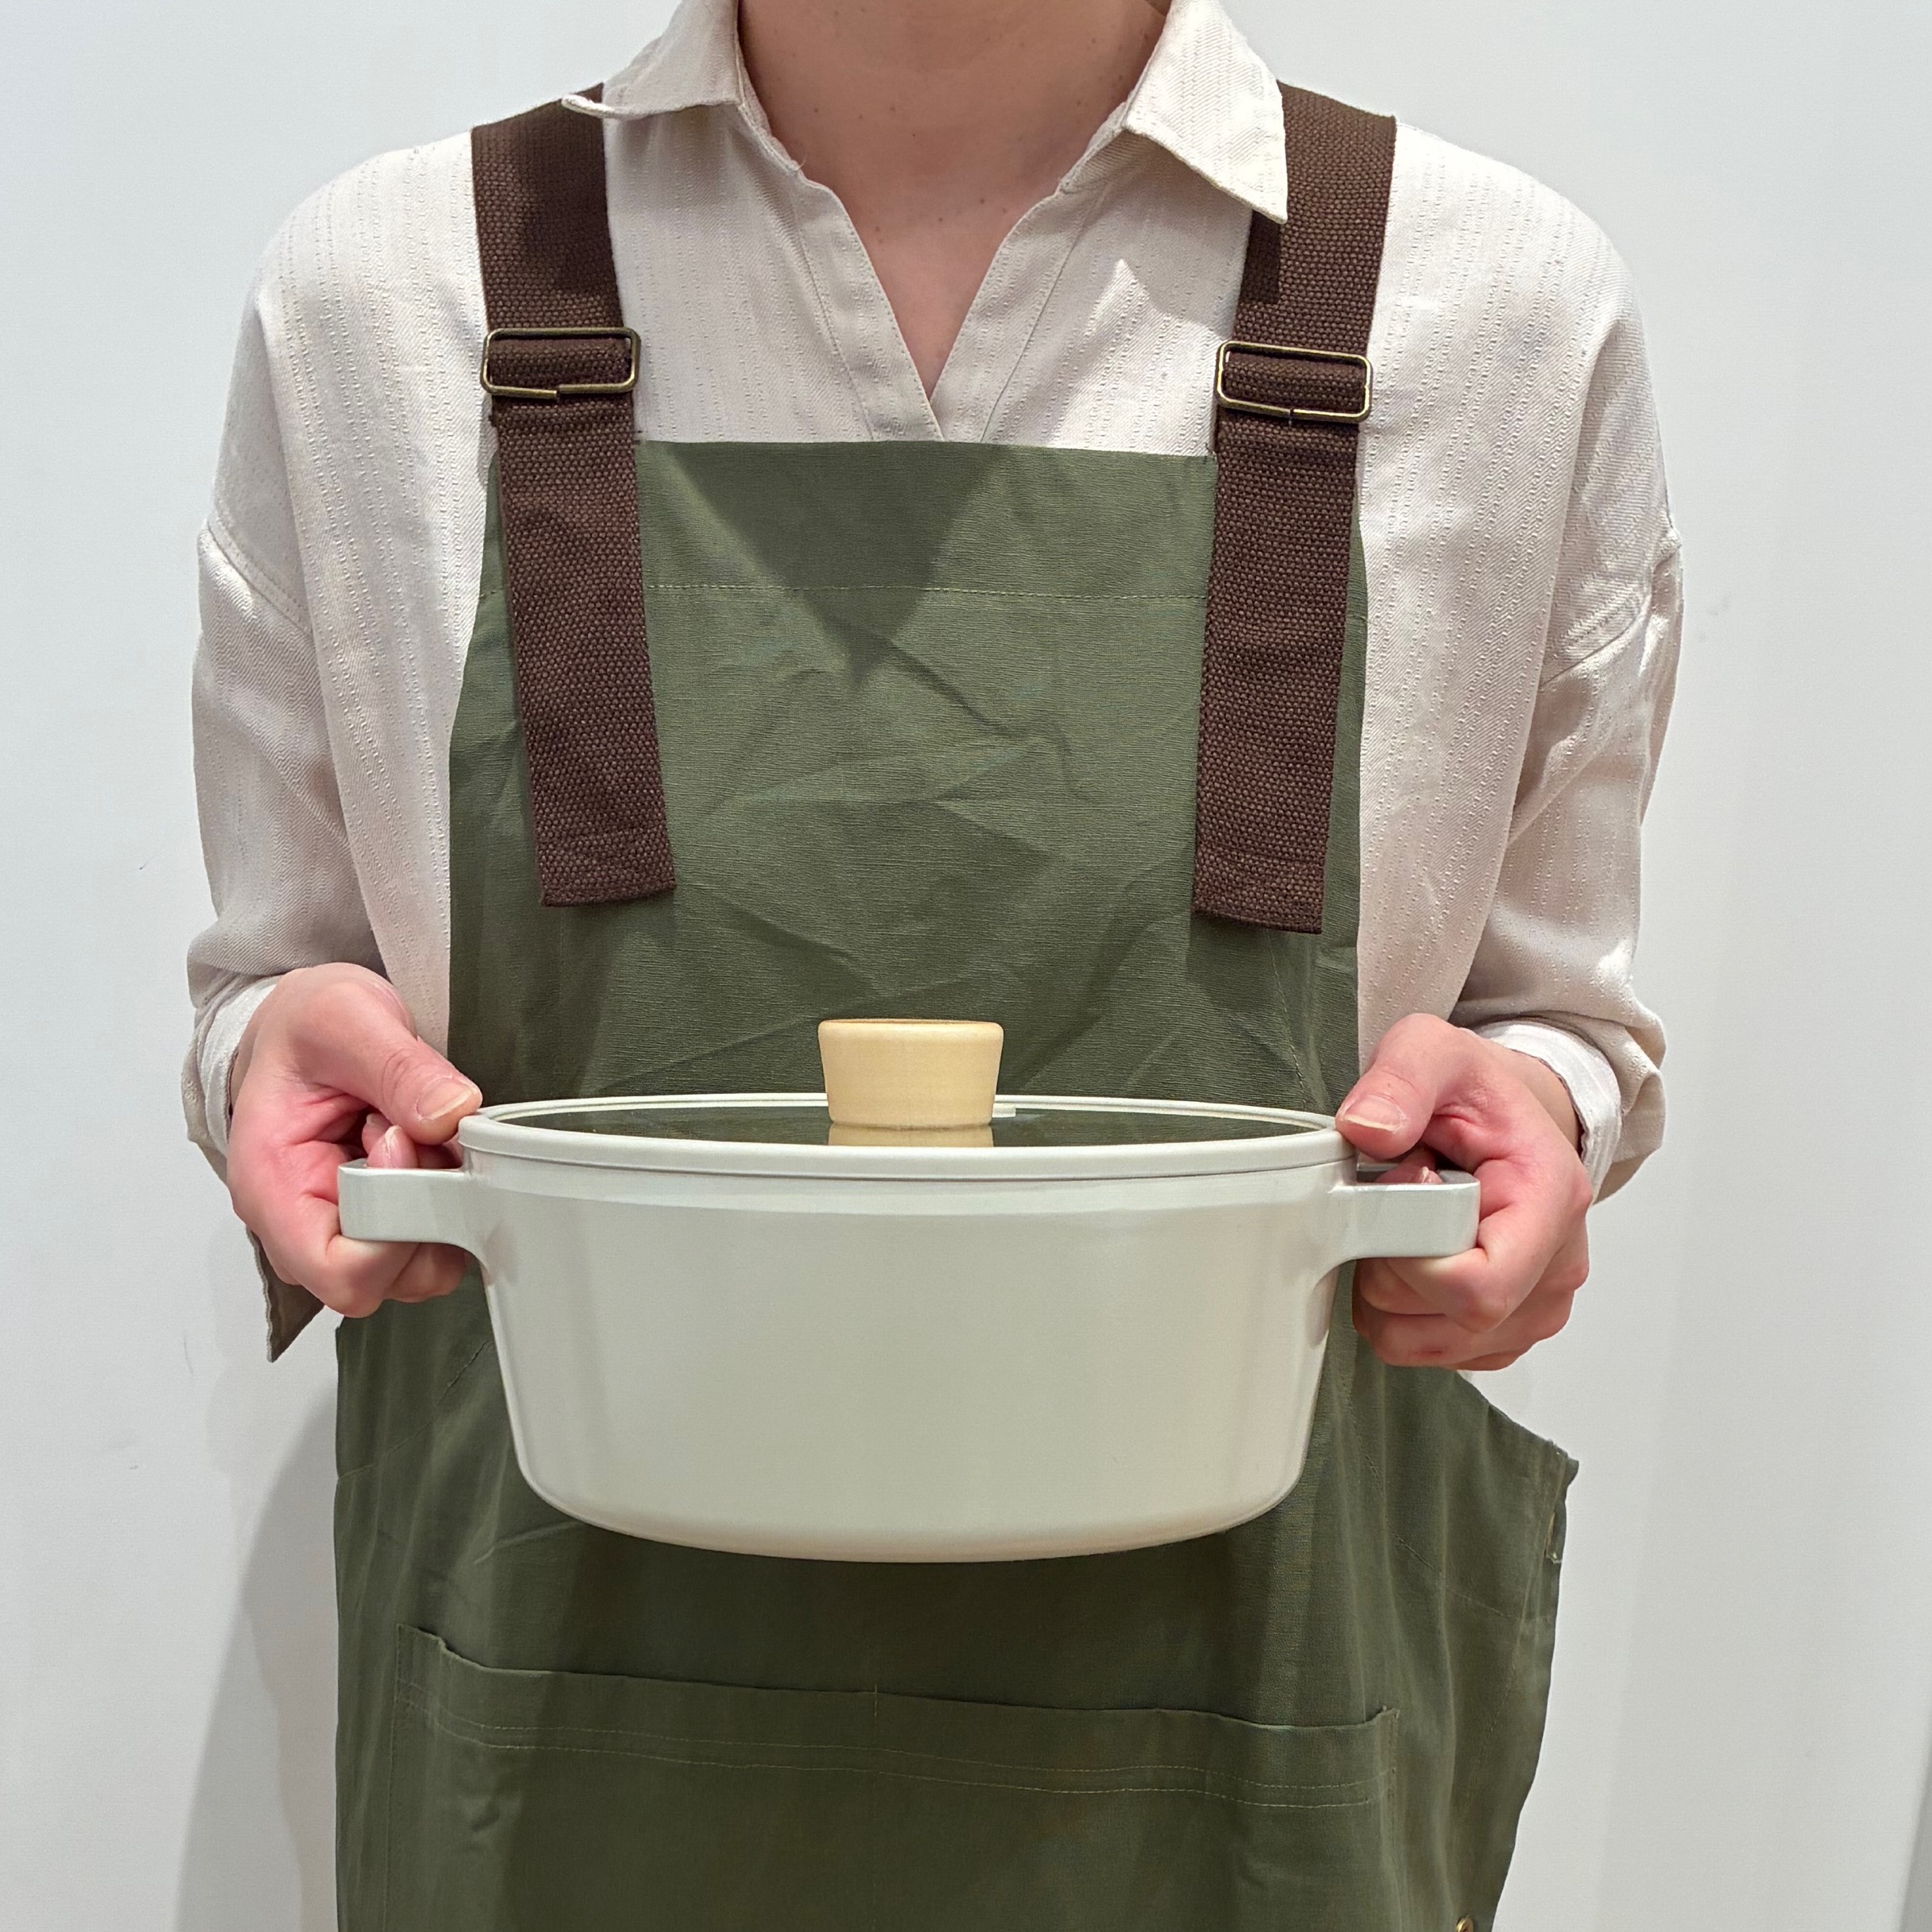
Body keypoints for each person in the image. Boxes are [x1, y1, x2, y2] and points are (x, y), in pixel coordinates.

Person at [185, 0, 1677, 1923]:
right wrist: (264, 1057)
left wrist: (1542, 1108)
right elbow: (278, 980)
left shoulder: (1498, 311)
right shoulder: (379, 302)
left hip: (1259, 1761)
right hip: (553, 1766)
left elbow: (1553, 1017)